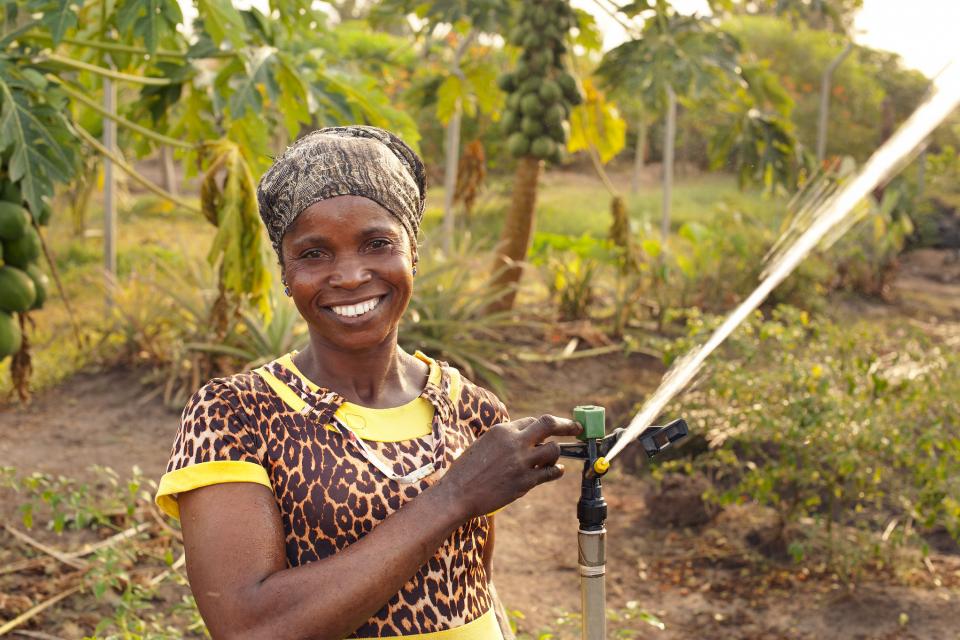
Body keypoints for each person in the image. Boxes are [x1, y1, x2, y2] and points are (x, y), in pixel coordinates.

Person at [154, 125, 581, 639]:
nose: (351, 275)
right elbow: (249, 628)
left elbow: (475, 586)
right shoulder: (236, 415)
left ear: (412, 252)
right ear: (286, 273)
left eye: (377, 243)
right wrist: (454, 497)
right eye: (314, 253)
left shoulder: (470, 407)